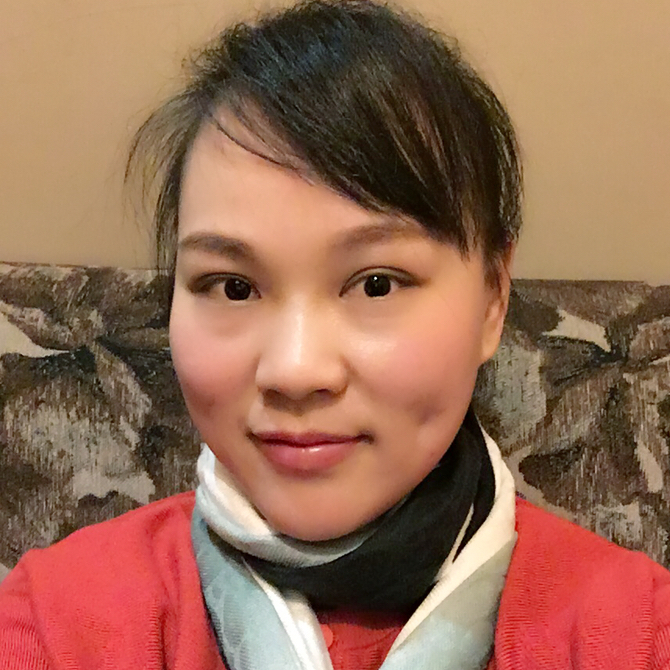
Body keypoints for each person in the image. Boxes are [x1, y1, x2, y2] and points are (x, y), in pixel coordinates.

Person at [1, 1, 670, 668]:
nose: (295, 371)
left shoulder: (638, 630)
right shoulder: (54, 622)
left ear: (493, 299)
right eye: (233, 287)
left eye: (376, 284)